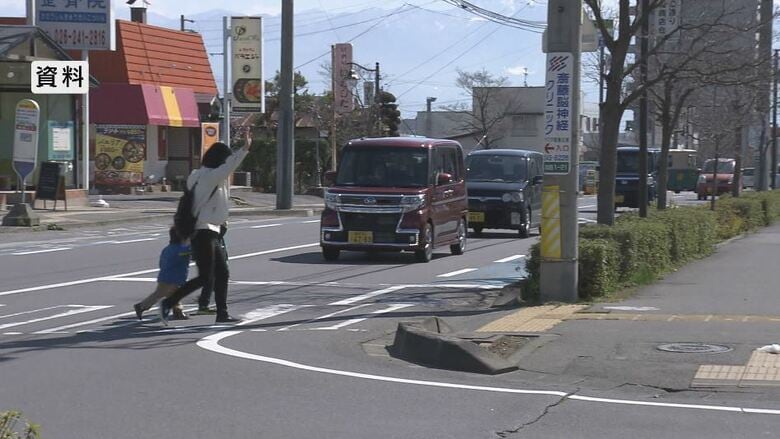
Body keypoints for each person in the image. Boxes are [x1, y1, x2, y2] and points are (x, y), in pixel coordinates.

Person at [159, 132, 251, 324]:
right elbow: (229, 167)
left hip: (208, 231)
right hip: (204, 232)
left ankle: (221, 313)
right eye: (225, 160)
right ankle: (170, 302)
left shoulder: (198, 176)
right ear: (220, 160)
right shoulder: (210, 177)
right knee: (206, 276)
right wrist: (244, 148)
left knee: (219, 273)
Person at [133, 227, 191, 322]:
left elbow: (161, 263)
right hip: (172, 277)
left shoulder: (168, 248)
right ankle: (141, 306)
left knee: (174, 294)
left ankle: (178, 311)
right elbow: (192, 253)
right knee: (160, 294)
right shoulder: (182, 250)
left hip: (166, 275)